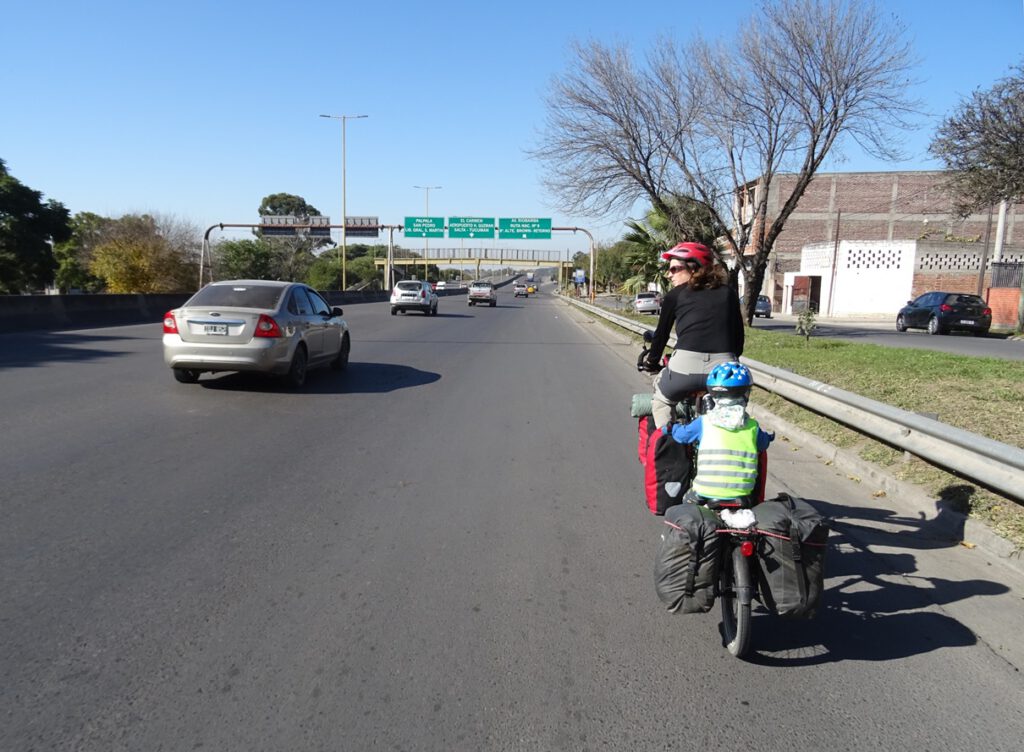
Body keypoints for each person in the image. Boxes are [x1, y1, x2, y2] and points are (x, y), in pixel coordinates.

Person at [643, 241, 745, 429]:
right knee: (734, 406)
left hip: (684, 368)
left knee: (662, 401)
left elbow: (661, 336)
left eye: (675, 269)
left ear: (694, 268)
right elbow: (738, 339)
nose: (669, 274)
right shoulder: (728, 293)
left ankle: (667, 446)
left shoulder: (675, 295)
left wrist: (651, 362)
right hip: (722, 369)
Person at [662, 362, 774, 502]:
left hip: (704, 492)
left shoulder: (704, 422)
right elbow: (763, 444)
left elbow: (681, 436)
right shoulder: (752, 426)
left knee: (686, 501)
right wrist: (768, 437)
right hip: (743, 494)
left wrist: (673, 428)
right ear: (746, 394)